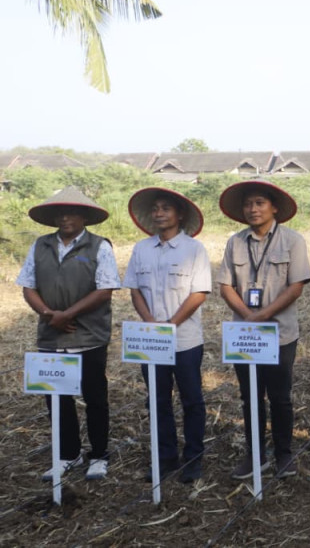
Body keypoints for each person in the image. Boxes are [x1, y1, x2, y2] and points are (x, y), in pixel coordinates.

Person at [17, 187, 120, 481]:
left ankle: (99, 455)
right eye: (60, 213)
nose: (65, 218)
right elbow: (28, 286)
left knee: (95, 397)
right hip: (51, 335)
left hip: (89, 337)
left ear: (84, 216)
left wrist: (67, 315)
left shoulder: (99, 247)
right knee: (57, 399)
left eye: (72, 212)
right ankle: (68, 455)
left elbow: (105, 289)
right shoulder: (40, 246)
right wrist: (49, 315)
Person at [217, 180, 310, 480]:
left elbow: (296, 286)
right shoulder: (235, 242)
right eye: (248, 204)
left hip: (280, 333)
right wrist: (248, 316)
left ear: (274, 208)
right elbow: (225, 286)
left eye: (260, 203)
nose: (253, 209)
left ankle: (284, 453)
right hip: (244, 335)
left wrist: (264, 315)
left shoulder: (293, 240)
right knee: (250, 396)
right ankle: (255, 454)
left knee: (281, 397)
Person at [123, 188, 211, 484]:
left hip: (186, 340)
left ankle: (194, 458)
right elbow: (135, 290)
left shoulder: (194, 249)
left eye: (166, 208)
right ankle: (166, 457)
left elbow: (199, 293)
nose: (159, 213)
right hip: (151, 341)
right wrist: (151, 324)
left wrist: (171, 324)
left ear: (180, 214)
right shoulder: (141, 249)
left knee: (192, 400)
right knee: (158, 401)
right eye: (156, 209)